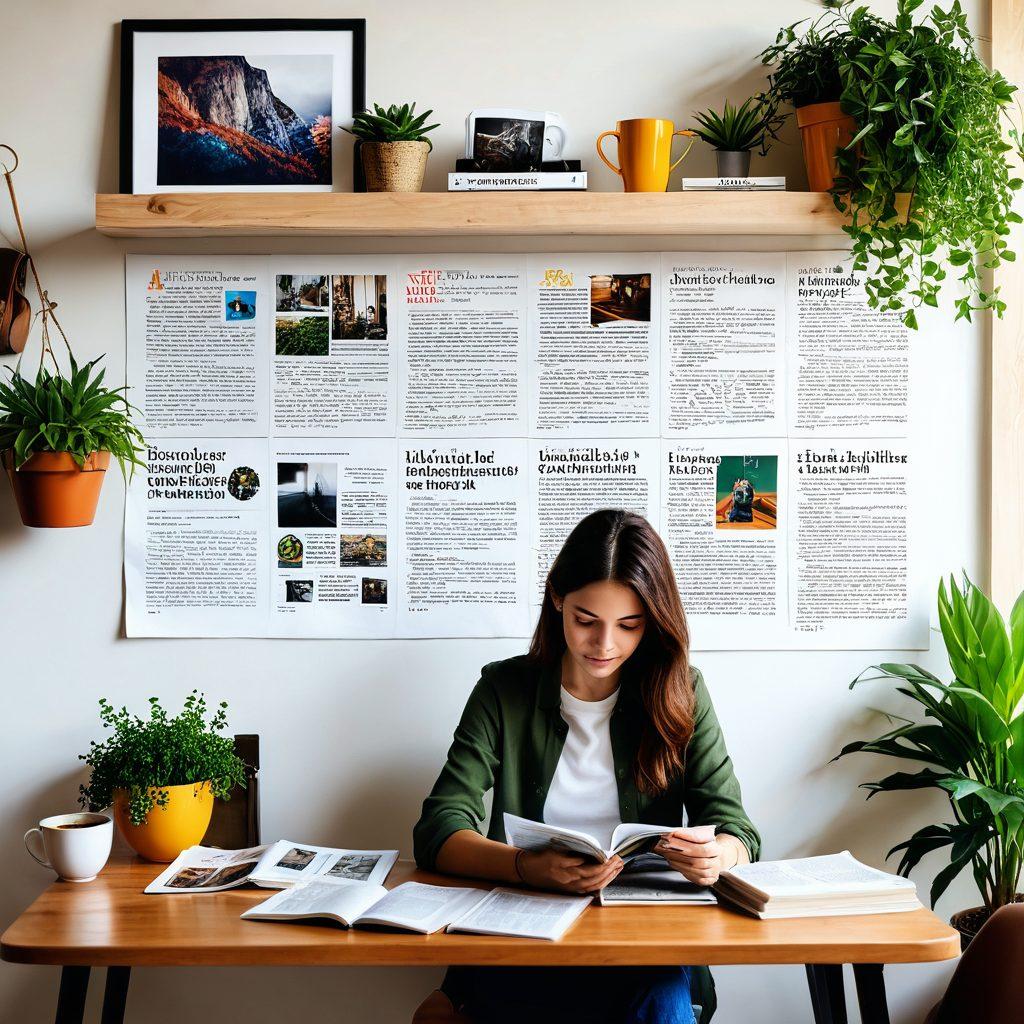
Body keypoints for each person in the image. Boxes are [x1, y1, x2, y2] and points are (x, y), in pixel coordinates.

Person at [413, 509, 760, 1024]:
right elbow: (438, 829)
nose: (605, 645)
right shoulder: (503, 690)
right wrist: (524, 867)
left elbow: (740, 833)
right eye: (585, 620)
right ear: (557, 598)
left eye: (629, 625)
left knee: (662, 1005)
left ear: (654, 619)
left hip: (646, 941)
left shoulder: (683, 691)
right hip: (523, 931)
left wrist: (719, 856)